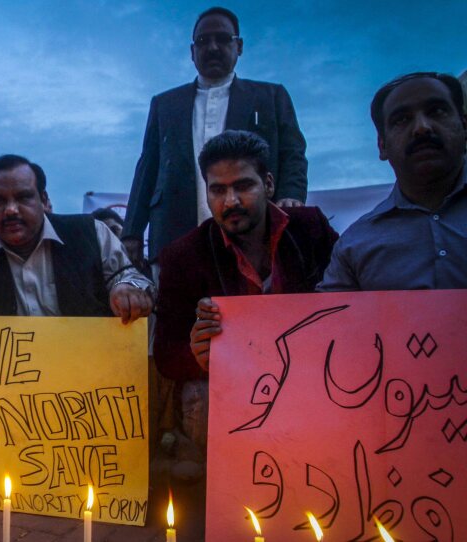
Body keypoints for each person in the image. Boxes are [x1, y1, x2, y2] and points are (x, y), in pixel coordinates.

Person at [153, 130, 337, 538]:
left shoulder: (309, 229)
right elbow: (166, 354)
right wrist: (196, 354)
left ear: (268, 184)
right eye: (217, 190)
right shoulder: (184, 255)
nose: (230, 201)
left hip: (313, 384)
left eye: (243, 186)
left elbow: (350, 307)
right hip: (231, 397)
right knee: (195, 395)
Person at [0, 154, 153, 349]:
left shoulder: (90, 233)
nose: (10, 209)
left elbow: (131, 277)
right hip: (14, 406)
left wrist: (128, 288)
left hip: (92, 394)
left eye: (23, 197)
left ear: (43, 201)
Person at [122, 7, 308, 271]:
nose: (212, 47)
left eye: (222, 39)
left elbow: (293, 153)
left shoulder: (270, 97)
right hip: (174, 236)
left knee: (253, 311)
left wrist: (290, 195)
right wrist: (132, 231)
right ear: (191, 51)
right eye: (203, 41)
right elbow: (147, 168)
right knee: (174, 311)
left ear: (239, 46)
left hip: (254, 236)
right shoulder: (165, 105)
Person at [318, 72, 467, 291]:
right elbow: (329, 319)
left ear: (464, 127)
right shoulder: (354, 245)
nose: (422, 127)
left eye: (437, 111)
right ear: (382, 146)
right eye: (402, 120)